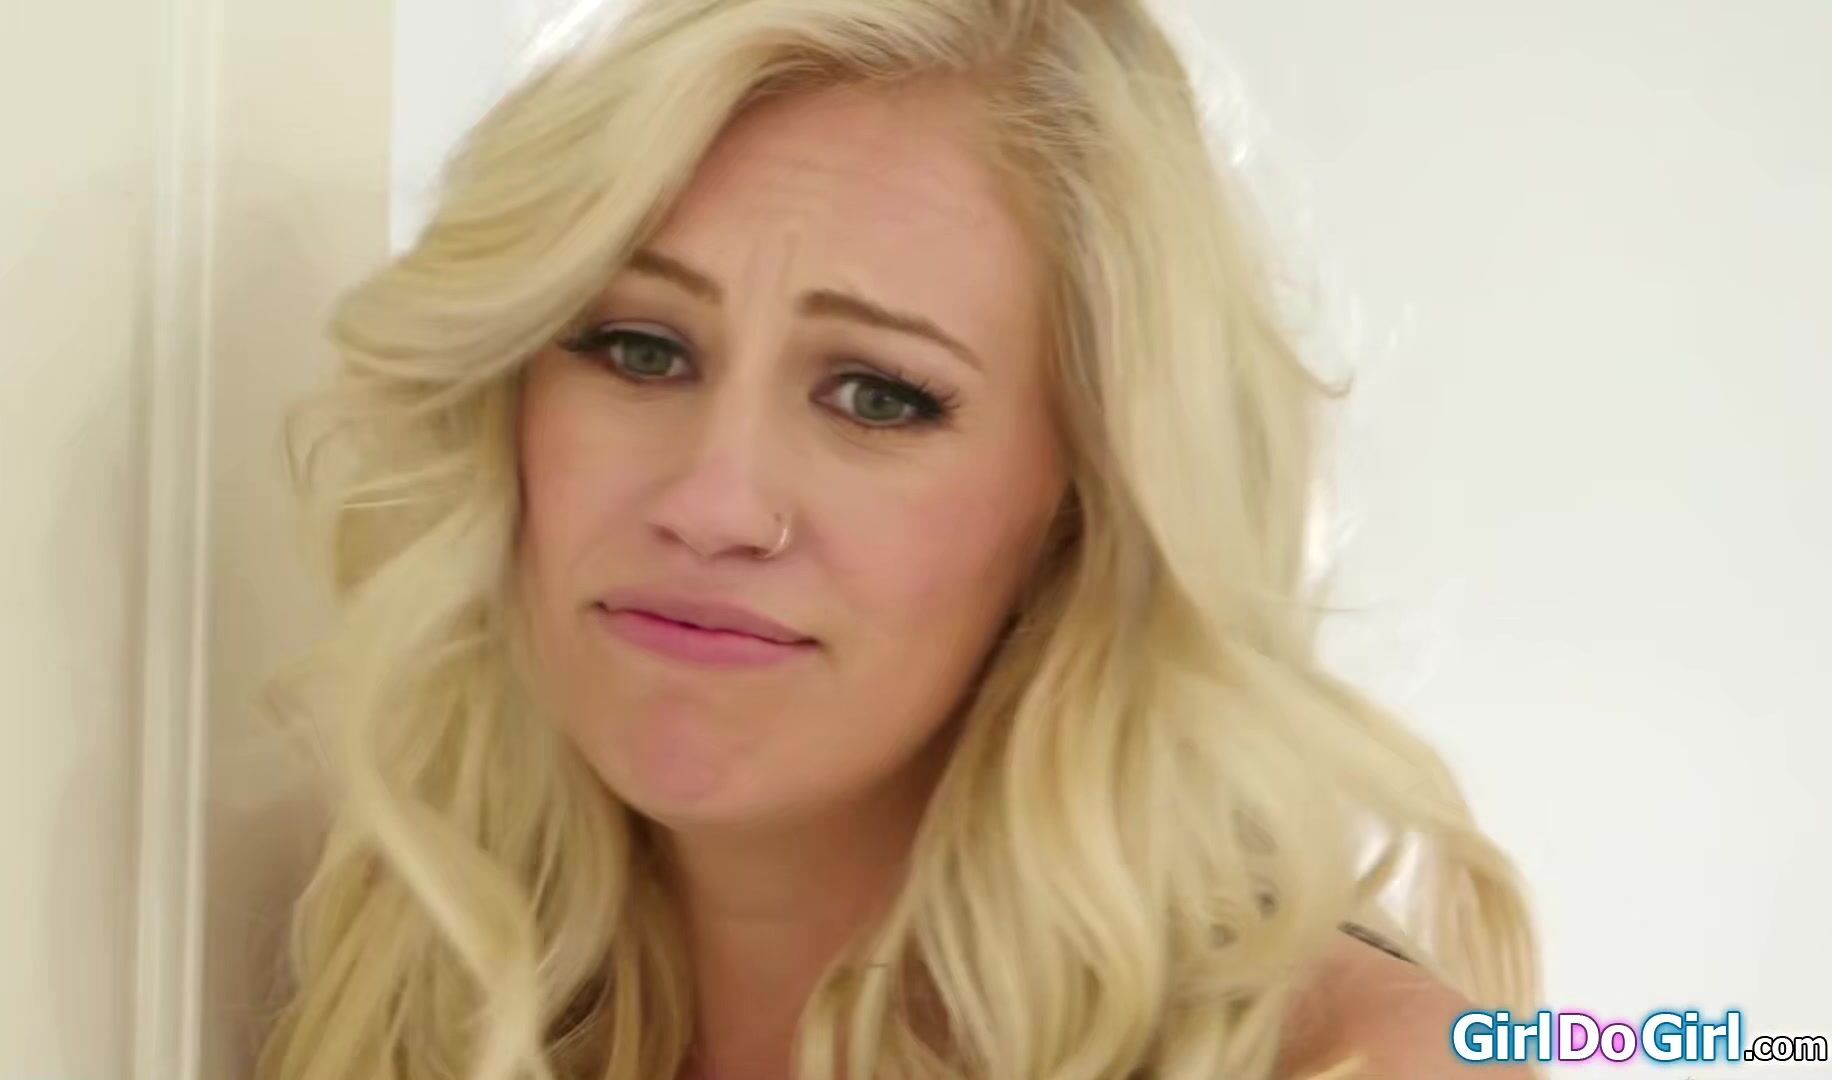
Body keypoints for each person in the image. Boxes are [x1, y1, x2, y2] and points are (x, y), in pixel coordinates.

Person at [254, 1, 1541, 1077]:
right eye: (639, 349)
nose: (710, 501)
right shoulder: (405, 985)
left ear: (1083, 508)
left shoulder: (1366, 1061)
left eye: (878, 396)